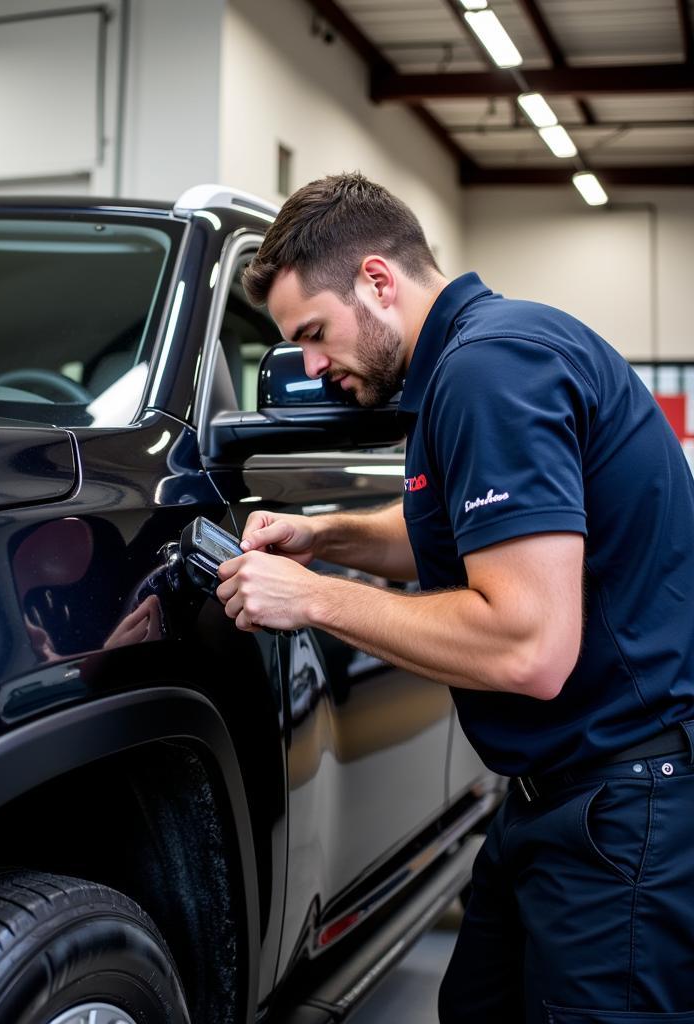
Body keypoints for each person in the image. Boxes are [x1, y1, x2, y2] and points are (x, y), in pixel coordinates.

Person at [215, 171, 694, 1023]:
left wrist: (313, 598)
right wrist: (324, 537)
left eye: (315, 335)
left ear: (377, 280)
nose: (313, 367)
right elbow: (458, 540)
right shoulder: (482, 355)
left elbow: (527, 647)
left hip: (623, 812)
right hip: (555, 796)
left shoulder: (487, 373)